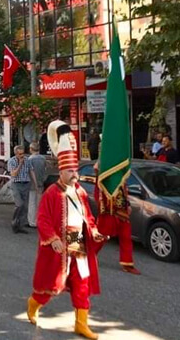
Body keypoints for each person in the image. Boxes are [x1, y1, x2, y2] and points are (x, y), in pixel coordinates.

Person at [26, 120, 106, 340]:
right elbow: (43, 219)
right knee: (51, 287)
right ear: (61, 171)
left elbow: (87, 216)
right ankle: (33, 305)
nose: (74, 174)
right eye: (70, 170)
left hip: (78, 245)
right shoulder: (52, 192)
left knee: (82, 285)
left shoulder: (80, 191)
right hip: (58, 248)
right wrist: (52, 239)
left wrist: (94, 230)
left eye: (75, 170)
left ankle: (81, 324)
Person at [94, 167, 141, 276]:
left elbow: (124, 189)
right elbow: (99, 189)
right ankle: (88, 257)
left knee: (126, 237)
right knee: (102, 236)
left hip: (121, 210)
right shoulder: (104, 175)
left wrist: (127, 204)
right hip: (108, 210)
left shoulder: (120, 173)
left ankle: (127, 264)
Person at [8, 145, 31, 234]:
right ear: (16, 154)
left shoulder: (27, 160)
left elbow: (31, 171)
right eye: (20, 154)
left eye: (23, 153)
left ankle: (20, 225)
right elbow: (13, 174)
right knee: (19, 204)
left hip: (26, 183)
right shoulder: (12, 161)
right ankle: (14, 222)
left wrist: (35, 184)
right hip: (16, 184)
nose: (22, 156)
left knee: (25, 206)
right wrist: (20, 164)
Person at [27, 142, 48, 228]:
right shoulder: (43, 158)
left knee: (32, 202)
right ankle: (39, 220)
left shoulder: (30, 159)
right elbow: (45, 169)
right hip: (41, 182)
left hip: (32, 183)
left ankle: (32, 222)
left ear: (31, 149)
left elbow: (29, 172)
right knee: (39, 202)